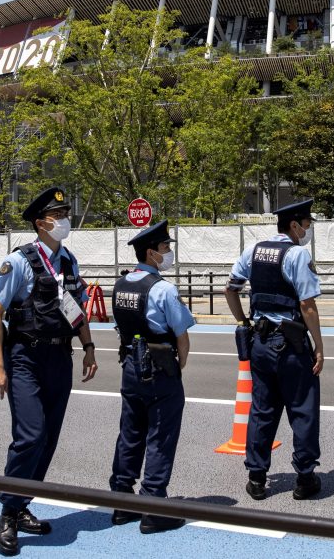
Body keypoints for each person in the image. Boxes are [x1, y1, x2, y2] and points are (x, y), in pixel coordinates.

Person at [0, 187, 99, 557]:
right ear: (41, 222)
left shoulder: (68, 260)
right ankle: (7, 511)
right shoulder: (18, 261)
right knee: (30, 436)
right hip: (25, 359)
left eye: (65, 212)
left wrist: (89, 347)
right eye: (58, 214)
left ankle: (21, 505)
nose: (64, 219)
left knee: (48, 438)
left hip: (58, 359)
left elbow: (76, 307)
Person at [224, 198, 325, 501]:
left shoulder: (253, 251)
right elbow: (307, 304)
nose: (307, 231)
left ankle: (256, 478)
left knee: (262, 410)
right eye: (306, 225)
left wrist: (243, 321)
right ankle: (304, 479)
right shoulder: (296, 255)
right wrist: (319, 346)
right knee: (302, 410)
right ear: (294, 225)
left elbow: (230, 288)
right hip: (291, 344)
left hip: (260, 343)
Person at [108, 220, 195, 533]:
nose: (169, 252)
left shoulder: (121, 285)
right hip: (160, 368)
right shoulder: (163, 289)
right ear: (151, 252)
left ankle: (121, 499)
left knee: (130, 433)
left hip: (130, 365)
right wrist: (178, 366)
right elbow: (182, 338)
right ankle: (154, 506)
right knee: (160, 436)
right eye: (165, 248)